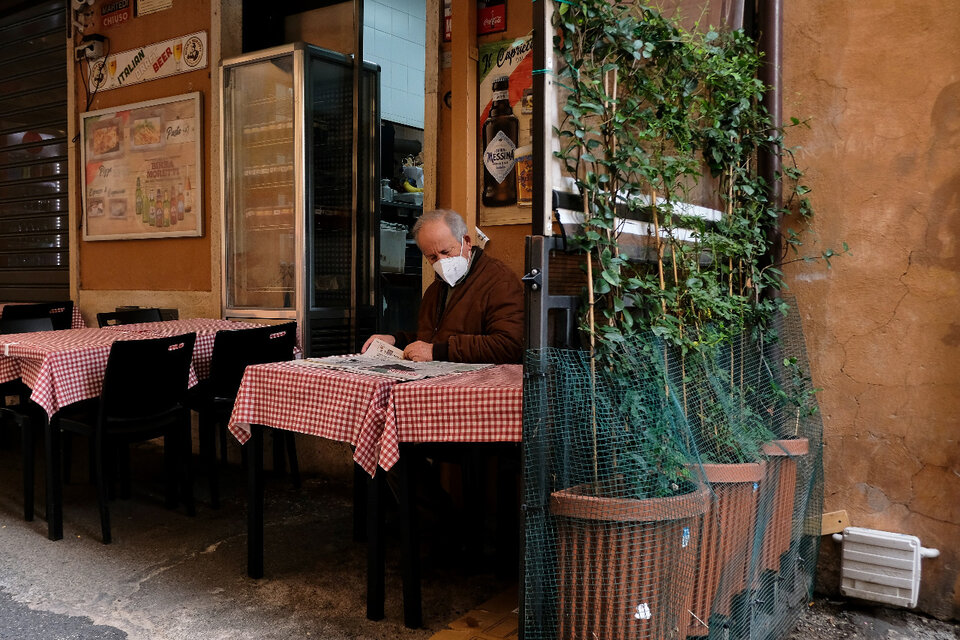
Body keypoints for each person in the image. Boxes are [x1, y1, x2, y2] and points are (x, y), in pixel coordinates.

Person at [362, 209, 524, 364]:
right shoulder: (435, 289)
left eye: (446, 251)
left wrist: (437, 352)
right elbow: (431, 340)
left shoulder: (500, 281)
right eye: (432, 257)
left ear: (466, 242)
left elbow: (509, 345)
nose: (441, 261)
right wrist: (396, 341)